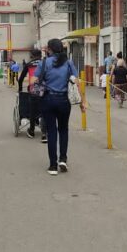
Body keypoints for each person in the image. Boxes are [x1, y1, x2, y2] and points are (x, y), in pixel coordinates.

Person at [35, 39, 85, 175]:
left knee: (52, 132)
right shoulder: (68, 63)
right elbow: (76, 82)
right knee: (63, 130)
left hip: (48, 100)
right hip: (64, 100)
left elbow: (35, 81)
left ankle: (52, 166)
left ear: (49, 49)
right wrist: (82, 103)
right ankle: (63, 159)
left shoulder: (44, 62)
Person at [18, 49, 45, 141]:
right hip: (45, 88)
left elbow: (21, 78)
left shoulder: (29, 64)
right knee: (44, 109)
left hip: (34, 88)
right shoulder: (45, 63)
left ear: (32, 55)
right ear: (41, 55)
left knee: (32, 110)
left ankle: (32, 130)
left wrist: (20, 89)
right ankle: (44, 133)